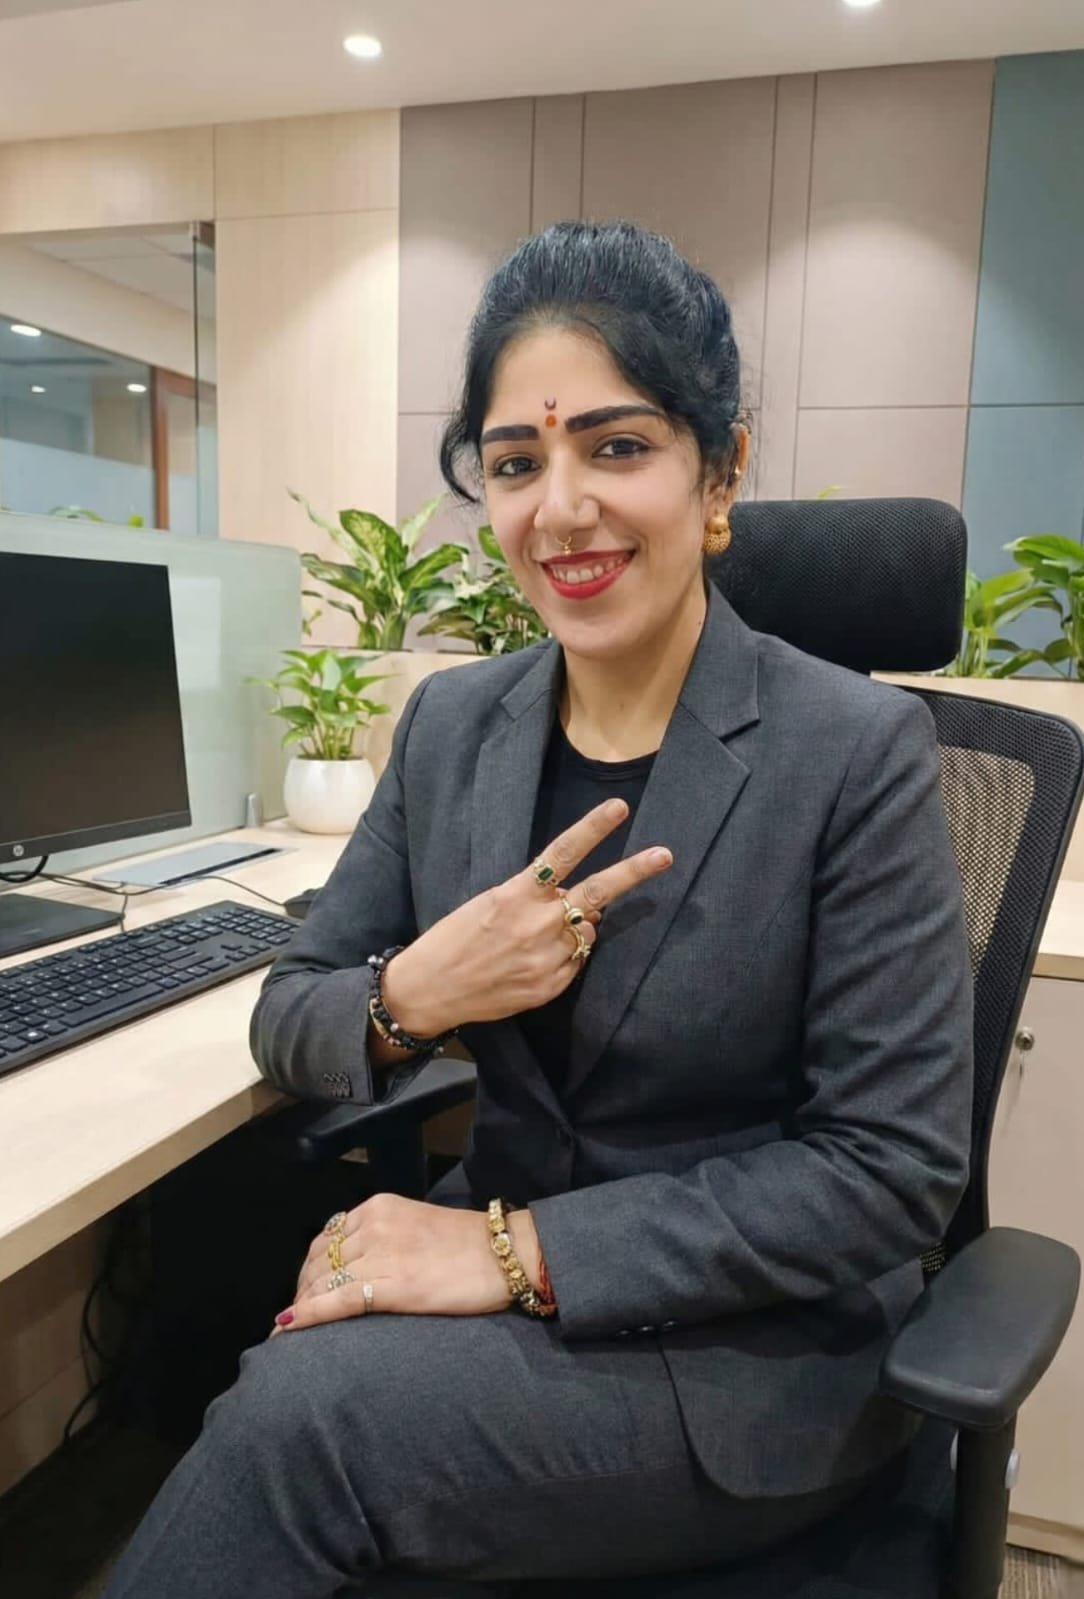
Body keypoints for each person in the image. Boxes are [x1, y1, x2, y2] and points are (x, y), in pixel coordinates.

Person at [103, 220, 973, 1598]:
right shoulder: (453, 727)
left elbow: (887, 1172)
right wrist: (414, 996)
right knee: (274, 1380)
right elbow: (291, 1010)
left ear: (720, 473)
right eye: (515, 463)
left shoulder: (853, 753)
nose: (558, 509)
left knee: (298, 1429)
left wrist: (510, 1252)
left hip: (748, 1358)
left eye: (617, 448)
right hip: (494, 1309)